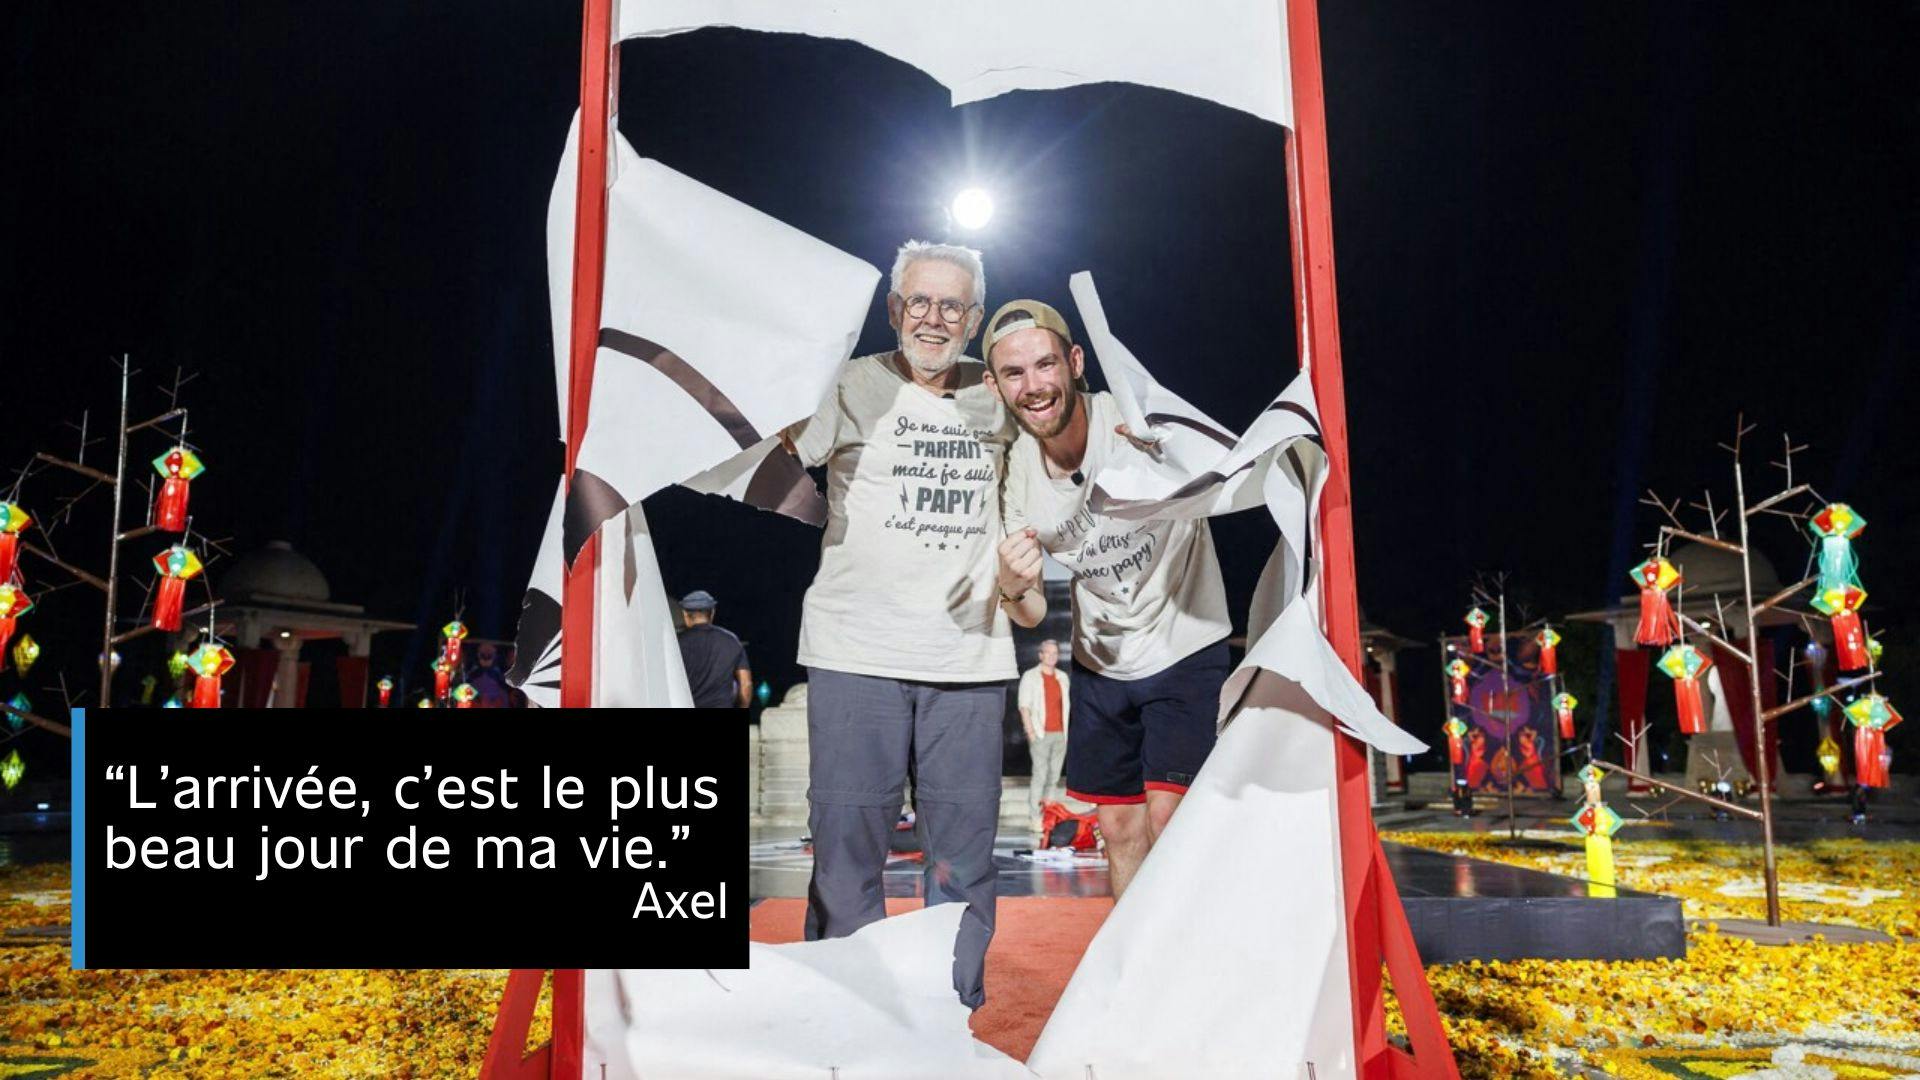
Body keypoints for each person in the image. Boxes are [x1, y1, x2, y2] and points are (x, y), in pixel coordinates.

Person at [782, 240, 1016, 1008]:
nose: (933, 318)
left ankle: (950, 1019)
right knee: (848, 850)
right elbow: (776, 448)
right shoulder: (849, 385)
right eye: (919, 301)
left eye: (952, 305)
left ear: (974, 319)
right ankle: (849, 1014)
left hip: (970, 657)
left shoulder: (1002, 394)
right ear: (894, 310)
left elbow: (1075, 431)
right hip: (856, 650)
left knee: (962, 862)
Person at [984, 299, 1231, 900]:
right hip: (1100, 660)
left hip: (1183, 639)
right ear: (994, 386)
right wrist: (1014, 589)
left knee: (1170, 821)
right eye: (1014, 374)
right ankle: (1136, 976)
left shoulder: (1130, 417)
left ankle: (1189, 967)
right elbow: (1033, 612)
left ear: (1073, 361)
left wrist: (1171, 451)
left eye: (1045, 365)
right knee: (1117, 826)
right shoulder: (1014, 471)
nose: (1035, 386)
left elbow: (1220, 467)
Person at [1017, 639, 1071, 839]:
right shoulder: (1031, 676)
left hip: (1060, 734)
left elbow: (1066, 706)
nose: (1052, 656)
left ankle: (1049, 816)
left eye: (1055, 653)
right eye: (1048, 653)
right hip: (1040, 733)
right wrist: (1030, 730)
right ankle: (1035, 817)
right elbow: (1024, 705)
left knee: (1054, 777)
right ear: (1040, 655)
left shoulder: (1062, 677)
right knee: (1040, 774)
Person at [675, 590, 751, 709]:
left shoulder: (676, 644)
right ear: (712, 613)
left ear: (685, 615)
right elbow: (745, 685)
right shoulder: (731, 641)